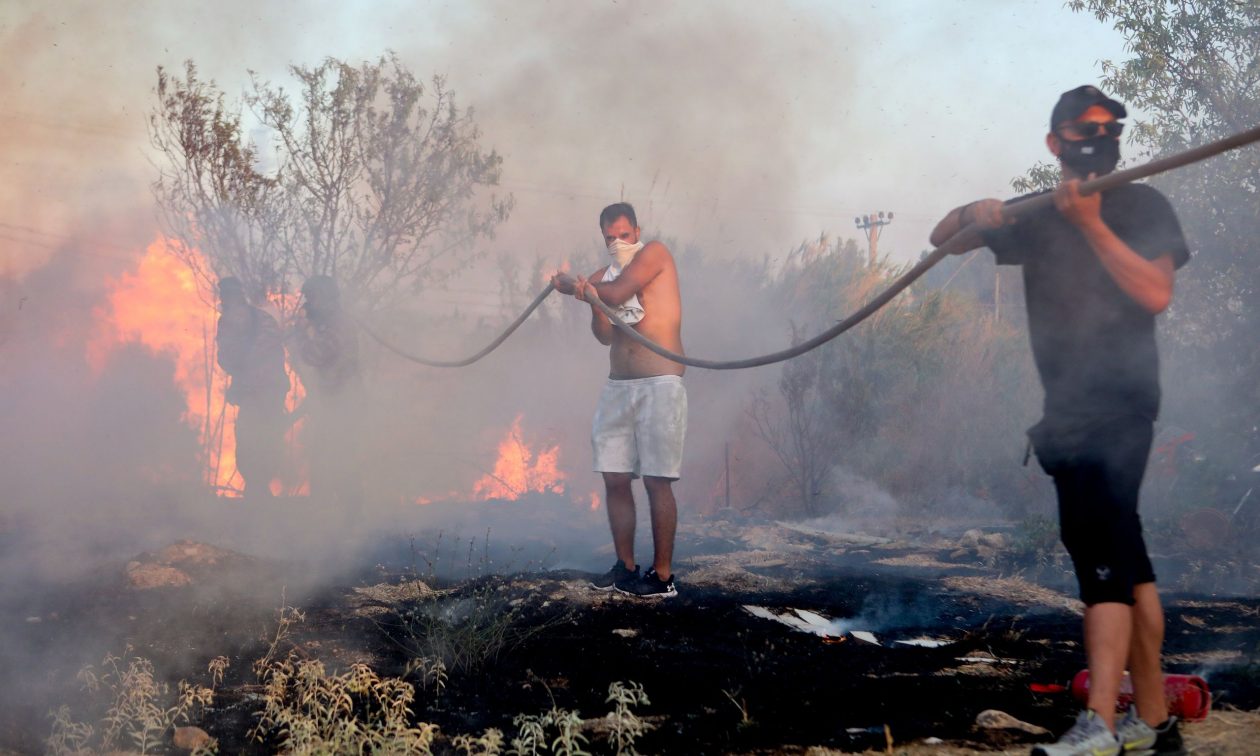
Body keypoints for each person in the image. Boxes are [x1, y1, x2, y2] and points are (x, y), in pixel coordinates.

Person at [930, 86, 1190, 756]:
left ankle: (1099, 724)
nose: (1099, 139)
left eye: (1110, 128)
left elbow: (1155, 293)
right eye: (1083, 130)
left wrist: (1094, 225)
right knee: (1124, 560)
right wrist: (975, 210)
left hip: (1124, 401)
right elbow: (943, 240)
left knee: (1102, 556)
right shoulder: (1037, 214)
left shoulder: (1142, 204)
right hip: (1065, 410)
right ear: (1055, 143)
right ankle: (1155, 721)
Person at [551, 202, 687, 599]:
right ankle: (625, 567)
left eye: (624, 235)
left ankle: (663, 577)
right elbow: (605, 335)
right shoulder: (601, 277)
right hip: (618, 386)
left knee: (657, 481)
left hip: (660, 383)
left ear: (637, 231)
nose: (617, 242)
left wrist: (583, 290)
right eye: (610, 237)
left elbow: (619, 292)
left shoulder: (655, 254)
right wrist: (590, 300)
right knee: (614, 477)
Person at [215, 277, 290, 500]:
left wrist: (238, 377)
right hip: (275, 389)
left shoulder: (229, 319)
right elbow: (276, 351)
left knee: (249, 438)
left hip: (254, 391)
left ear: (226, 296)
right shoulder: (262, 316)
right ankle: (263, 486)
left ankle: (256, 491)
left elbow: (229, 358)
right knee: (269, 437)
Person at [292, 275, 363, 507]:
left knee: (338, 459)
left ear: (325, 298)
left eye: (312, 298)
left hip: (343, 403)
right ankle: (325, 517)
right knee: (323, 458)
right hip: (333, 401)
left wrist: (300, 334)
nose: (308, 304)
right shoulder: (328, 323)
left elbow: (315, 355)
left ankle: (349, 518)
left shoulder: (338, 324)